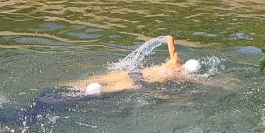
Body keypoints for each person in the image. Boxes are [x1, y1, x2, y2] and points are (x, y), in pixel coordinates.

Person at [71, 35, 202, 95]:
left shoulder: (174, 61)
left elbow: (170, 38)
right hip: (137, 81)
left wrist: (167, 38)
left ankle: (65, 87)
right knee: (98, 91)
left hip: (134, 72)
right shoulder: (184, 77)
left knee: (83, 83)